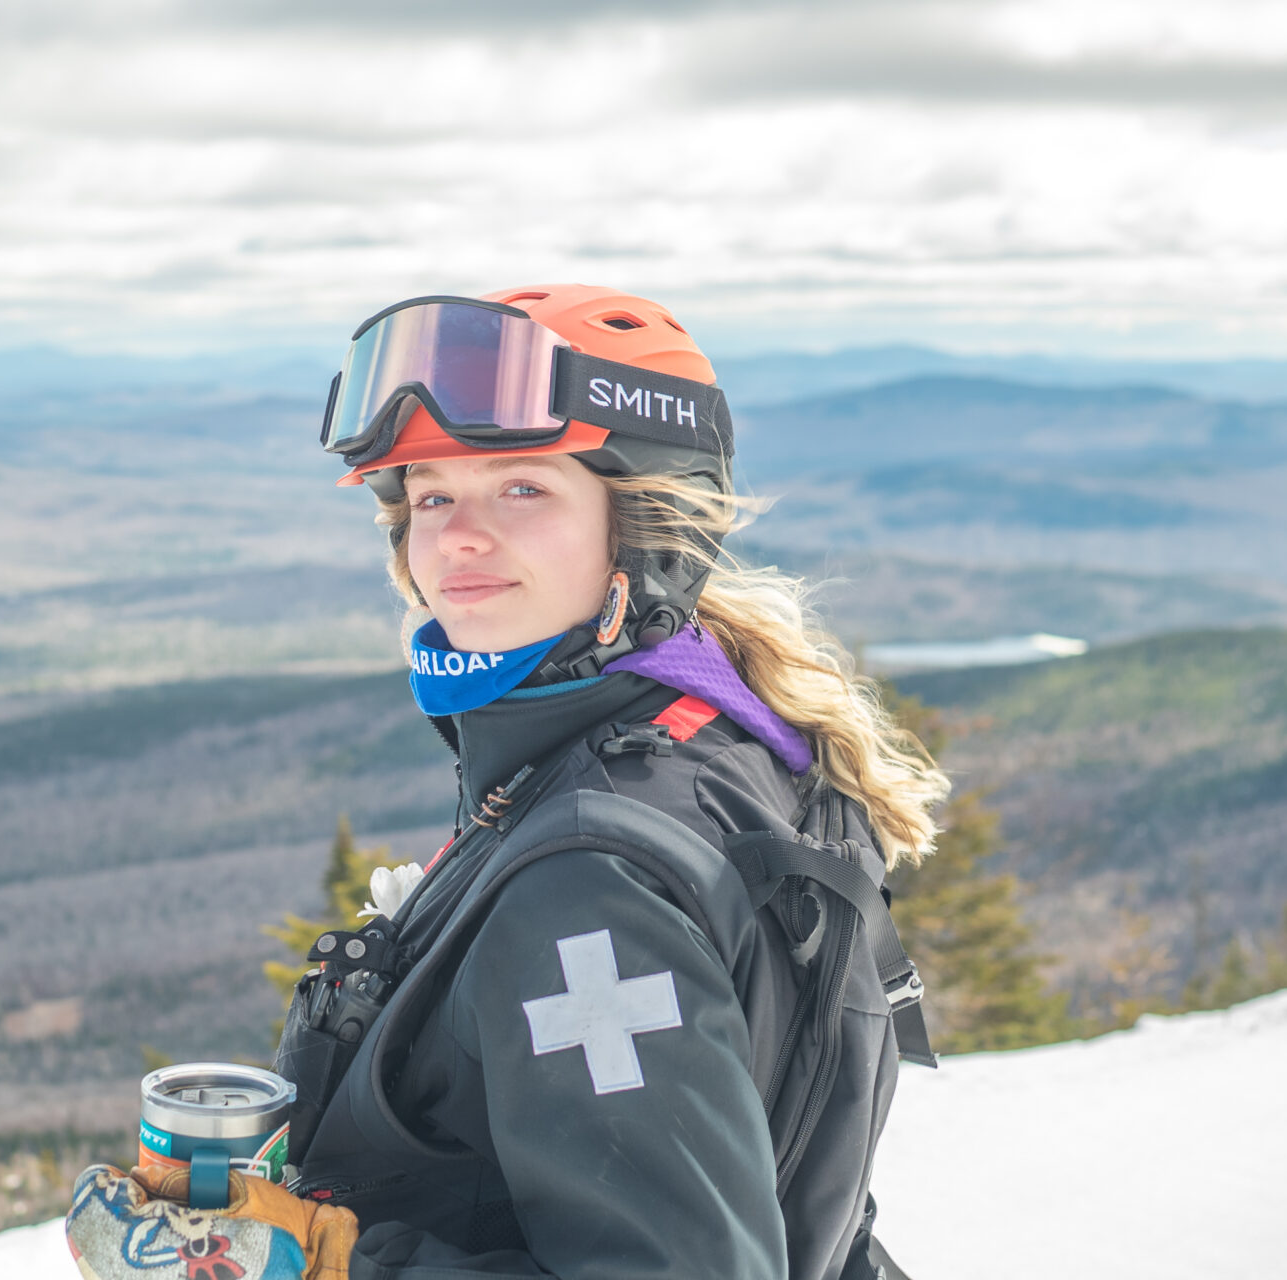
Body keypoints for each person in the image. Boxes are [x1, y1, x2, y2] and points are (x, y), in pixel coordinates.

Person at [66, 285, 952, 1280]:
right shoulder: (719, 738)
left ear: (644, 525)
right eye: (431, 494)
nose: (457, 535)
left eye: (522, 487)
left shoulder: (595, 884)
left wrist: (316, 1265)